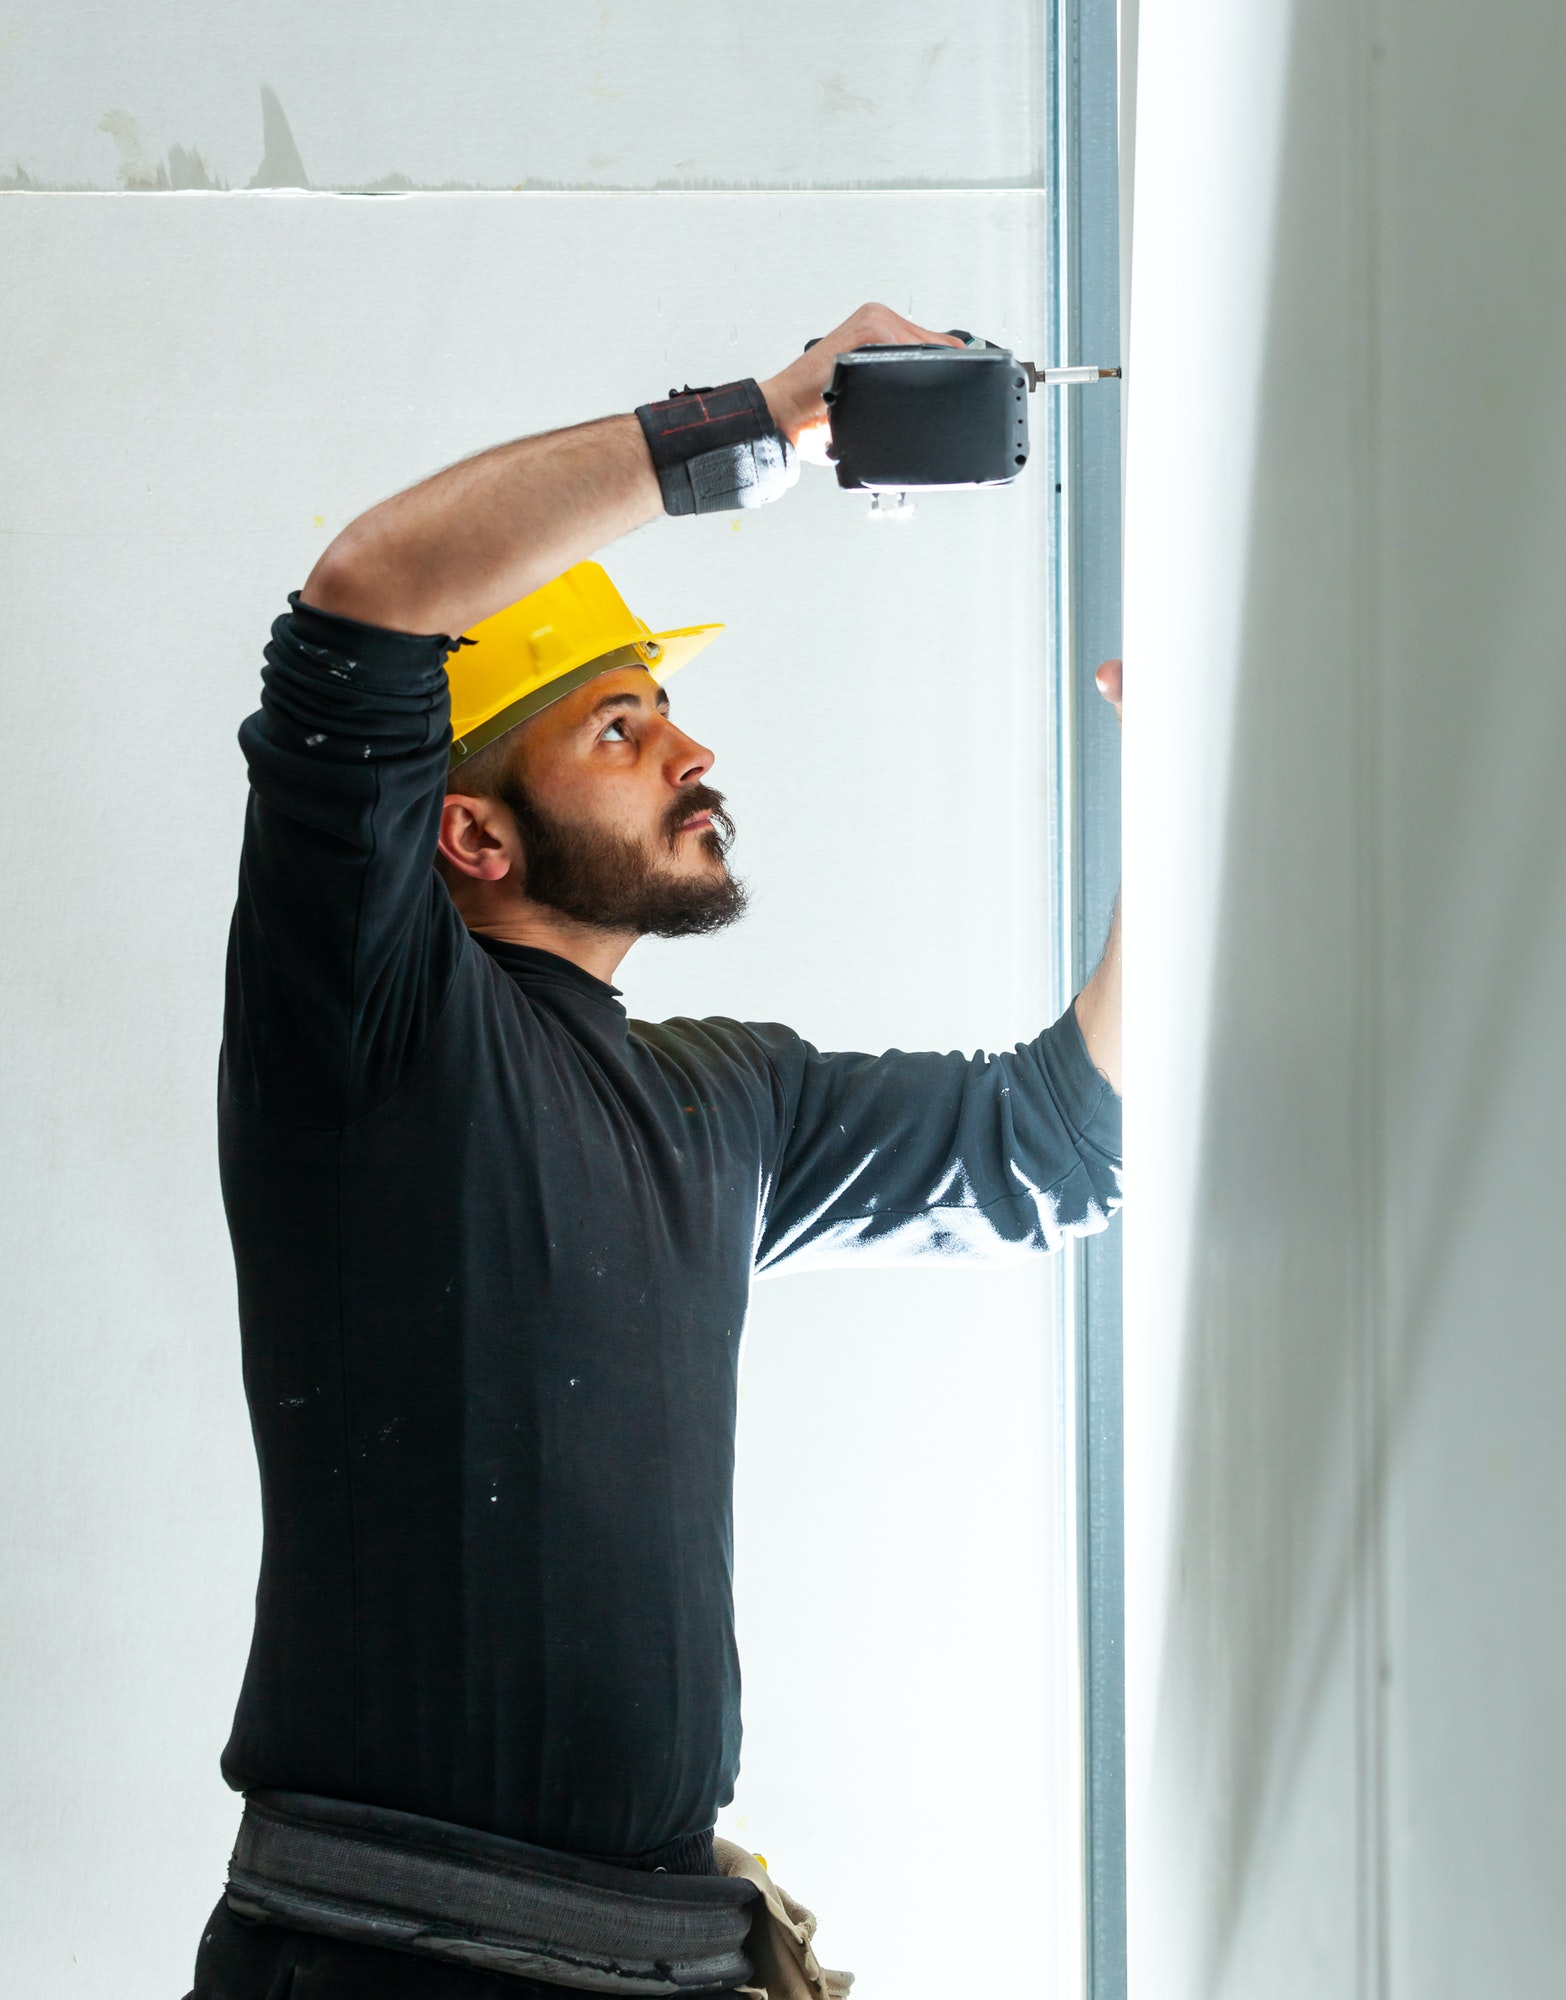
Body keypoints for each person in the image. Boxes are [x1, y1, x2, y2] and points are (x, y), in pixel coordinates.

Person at [189, 303, 1123, 2000]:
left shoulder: (727, 1105)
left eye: (665, 710)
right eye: (616, 728)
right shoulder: (371, 1039)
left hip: (659, 1962)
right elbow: (368, 598)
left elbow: (1049, 1143)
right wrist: (758, 427)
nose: (691, 753)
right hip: (377, 1965)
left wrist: (1192, 797)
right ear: (464, 830)